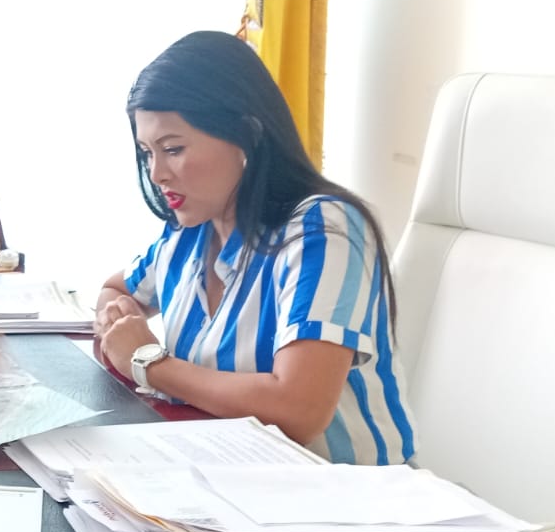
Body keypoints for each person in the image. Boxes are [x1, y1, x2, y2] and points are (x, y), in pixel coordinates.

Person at [93, 31, 416, 465]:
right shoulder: (189, 229)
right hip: (226, 478)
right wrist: (118, 321)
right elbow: (116, 289)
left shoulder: (324, 230)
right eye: (147, 153)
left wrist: (148, 361)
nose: (157, 174)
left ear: (246, 134)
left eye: (172, 149)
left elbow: (298, 411)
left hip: (343, 492)